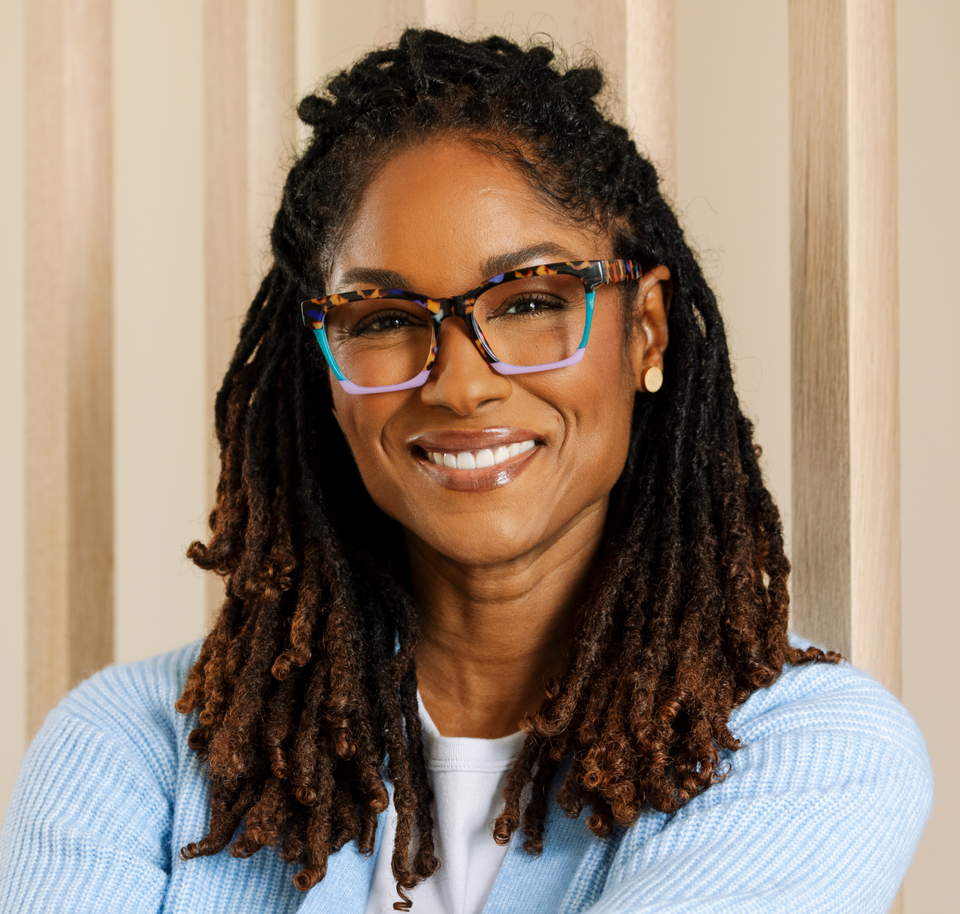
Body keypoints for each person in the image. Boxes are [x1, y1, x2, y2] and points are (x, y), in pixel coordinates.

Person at [0, 29, 932, 914]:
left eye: (529, 301)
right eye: (382, 318)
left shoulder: (803, 749)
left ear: (643, 328)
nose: (460, 384)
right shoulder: (134, 749)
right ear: (326, 370)